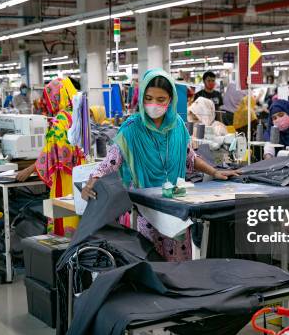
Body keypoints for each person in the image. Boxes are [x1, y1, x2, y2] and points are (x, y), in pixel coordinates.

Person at [81, 69, 237, 261]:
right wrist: (92, 180)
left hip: (174, 211)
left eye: (161, 99)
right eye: (148, 98)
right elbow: (110, 162)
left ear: (170, 100)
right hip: (144, 213)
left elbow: (190, 158)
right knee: (150, 266)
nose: (153, 104)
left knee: (178, 270)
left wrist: (215, 171)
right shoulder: (132, 128)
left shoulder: (177, 126)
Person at [16, 77, 85, 236]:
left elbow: (52, 151)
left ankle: (64, 252)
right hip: (80, 172)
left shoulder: (61, 118)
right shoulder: (77, 113)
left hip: (65, 176)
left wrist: (29, 169)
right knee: (78, 213)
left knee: (64, 215)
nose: (49, 103)